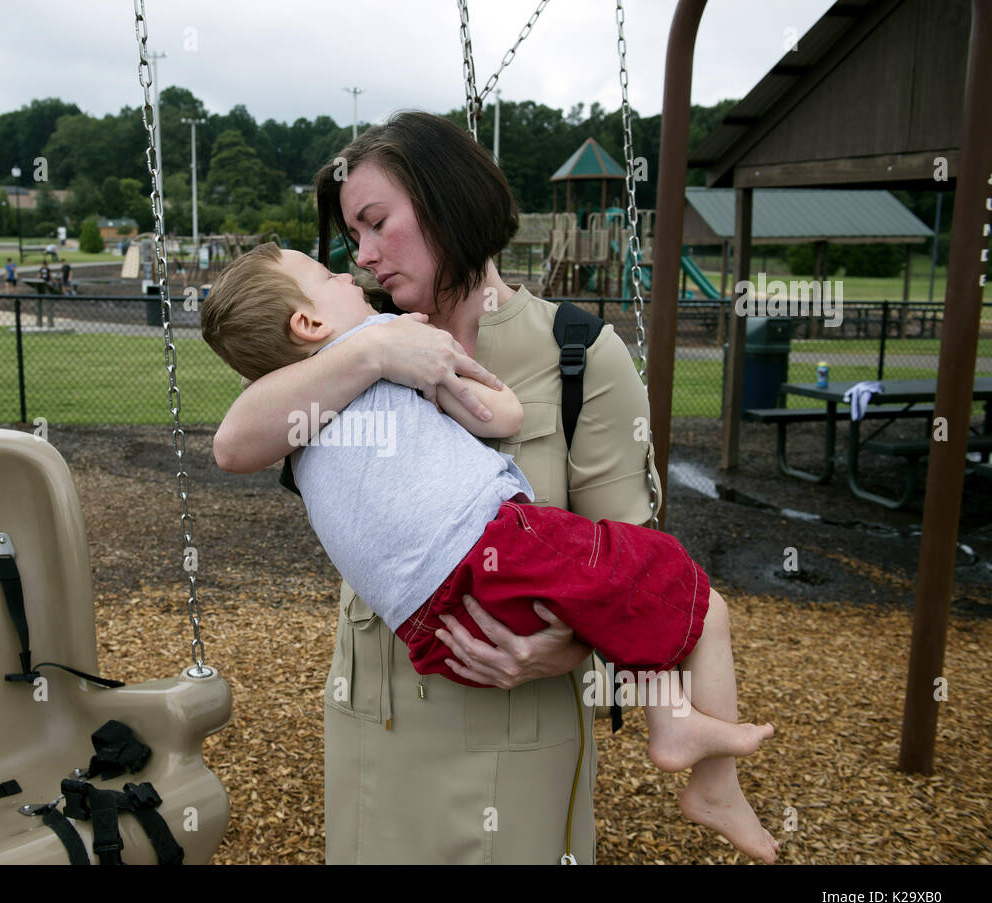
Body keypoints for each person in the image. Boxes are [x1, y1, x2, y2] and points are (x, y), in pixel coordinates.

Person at [201, 244, 778, 862]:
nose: (351, 267)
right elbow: (498, 414)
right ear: (308, 324)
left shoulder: (297, 401)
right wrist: (441, 372)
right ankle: (699, 763)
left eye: (372, 227)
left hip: (430, 621)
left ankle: (674, 726)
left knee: (621, 593)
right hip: (492, 546)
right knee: (689, 594)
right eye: (326, 275)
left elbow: (240, 444)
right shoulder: (388, 339)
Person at [213, 111, 660, 864]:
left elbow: (635, 553)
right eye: (352, 239)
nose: (363, 256)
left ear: (445, 199)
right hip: (374, 728)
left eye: (377, 222)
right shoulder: (349, 349)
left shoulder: (578, 354)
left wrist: (568, 647)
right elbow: (237, 439)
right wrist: (377, 352)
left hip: (513, 729)